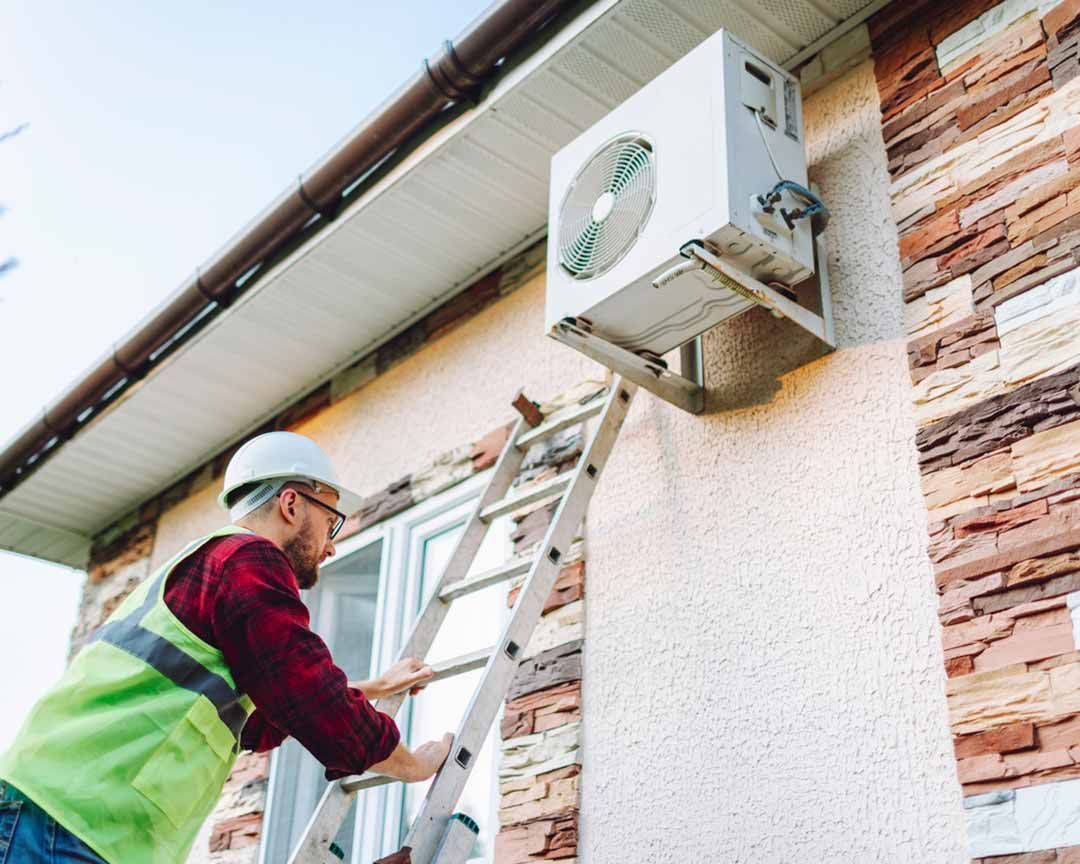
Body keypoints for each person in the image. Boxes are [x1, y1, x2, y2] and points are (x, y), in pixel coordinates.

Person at [0, 431, 452, 864]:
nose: (331, 545)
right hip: (67, 825)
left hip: (67, 816)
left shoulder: (207, 564)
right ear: (291, 504)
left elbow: (259, 717)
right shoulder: (248, 560)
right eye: (330, 521)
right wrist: (414, 766)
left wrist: (373, 687)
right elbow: (308, 698)